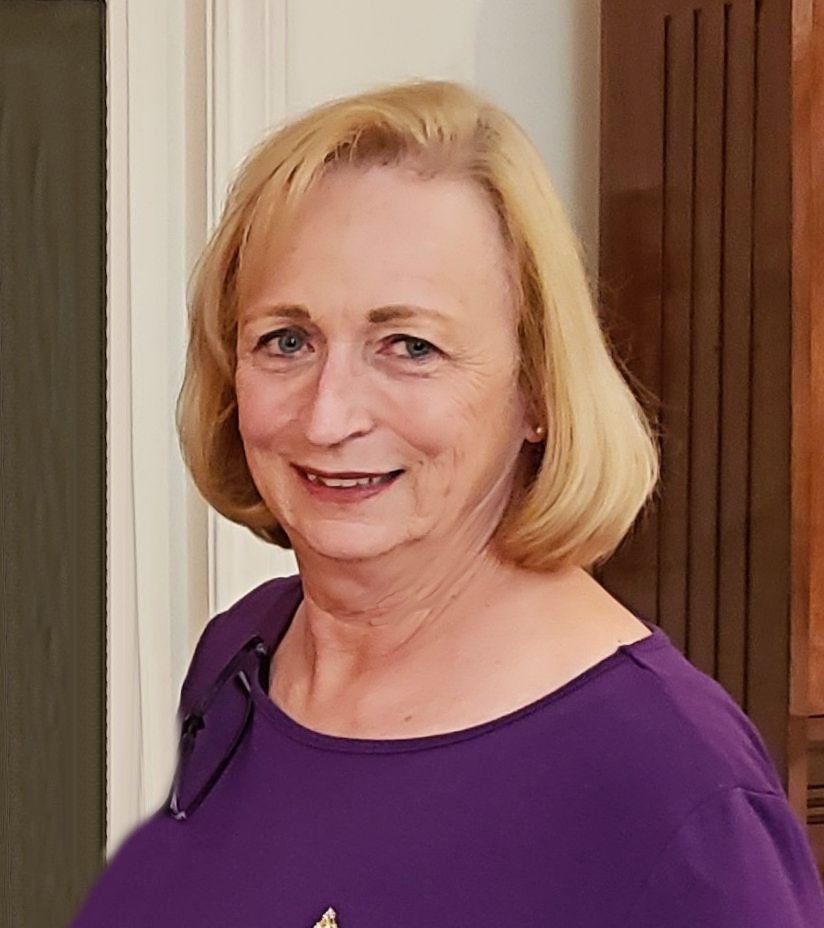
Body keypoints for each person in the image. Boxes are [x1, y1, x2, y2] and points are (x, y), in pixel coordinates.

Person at [69, 78, 824, 927]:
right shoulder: (242, 661)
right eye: (286, 340)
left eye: (410, 346)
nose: (329, 415)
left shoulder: (674, 796)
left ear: (538, 387)